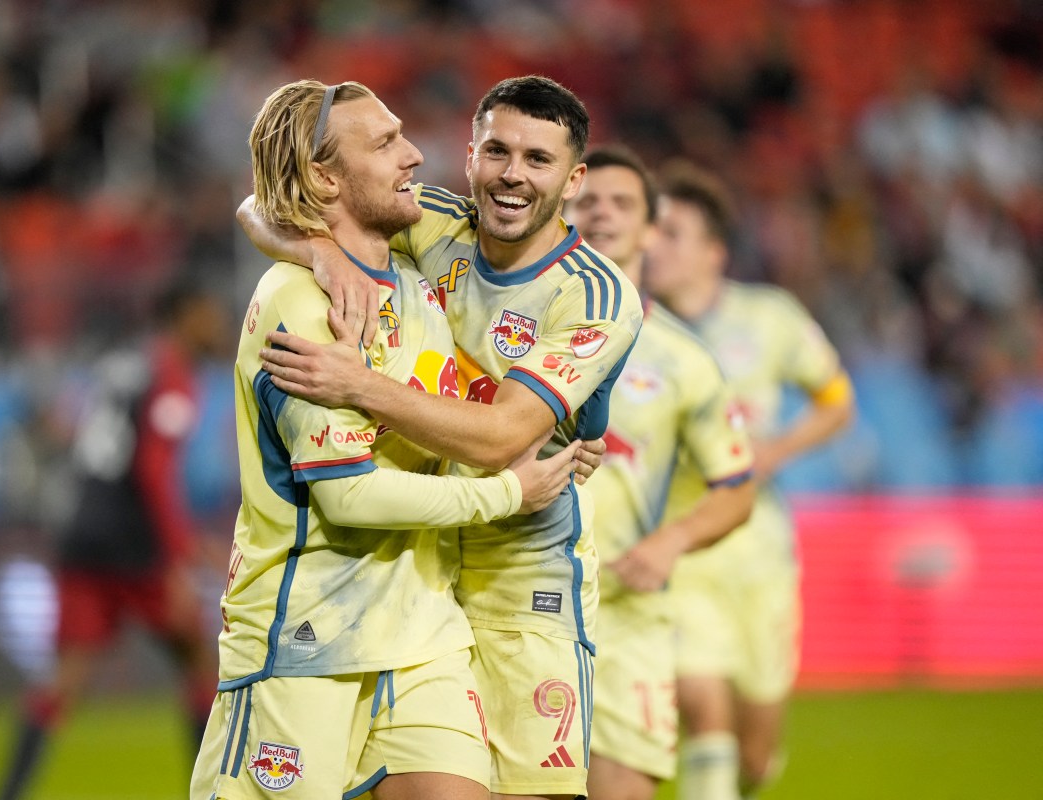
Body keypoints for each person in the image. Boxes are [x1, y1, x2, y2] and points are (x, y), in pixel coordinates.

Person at [243, 76, 645, 800]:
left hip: (519, 574)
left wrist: (359, 386)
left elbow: (501, 438)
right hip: (413, 570)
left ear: (574, 178)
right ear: (470, 156)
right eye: (497, 150)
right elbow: (263, 202)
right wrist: (319, 255)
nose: (512, 174)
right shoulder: (431, 220)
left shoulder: (597, 294)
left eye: (538, 159)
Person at [644, 161, 855, 800]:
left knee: (754, 748)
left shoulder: (771, 318)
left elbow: (837, 400)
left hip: (760, 552)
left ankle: (750, 772)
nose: (654, 244)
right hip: (679, 543)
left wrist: (779, 448)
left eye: (673, 233)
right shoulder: (631, 327)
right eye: (651, 230)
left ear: (714, 252)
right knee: (702, 703)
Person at [566, 146, 757, 800]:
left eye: (623, 203)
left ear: (652, 229)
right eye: (587, 200)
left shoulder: (681, 357)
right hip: (503, 598)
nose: (602, 213)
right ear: (561, 212)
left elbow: (737, 486)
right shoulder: (503, 323)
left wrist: (669, 542)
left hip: (622, 612)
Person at [0, 279, 231, 800]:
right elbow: (151, 470)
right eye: (209, 314)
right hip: (134, 543)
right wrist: (179, 557)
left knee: (63, 681)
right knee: (199, 663)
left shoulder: (122, 363)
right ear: (184, 315)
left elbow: (74, 433)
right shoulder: (174, 377)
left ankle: (6, 794)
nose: (217, 326)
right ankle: (206, 791)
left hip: (83, 530)